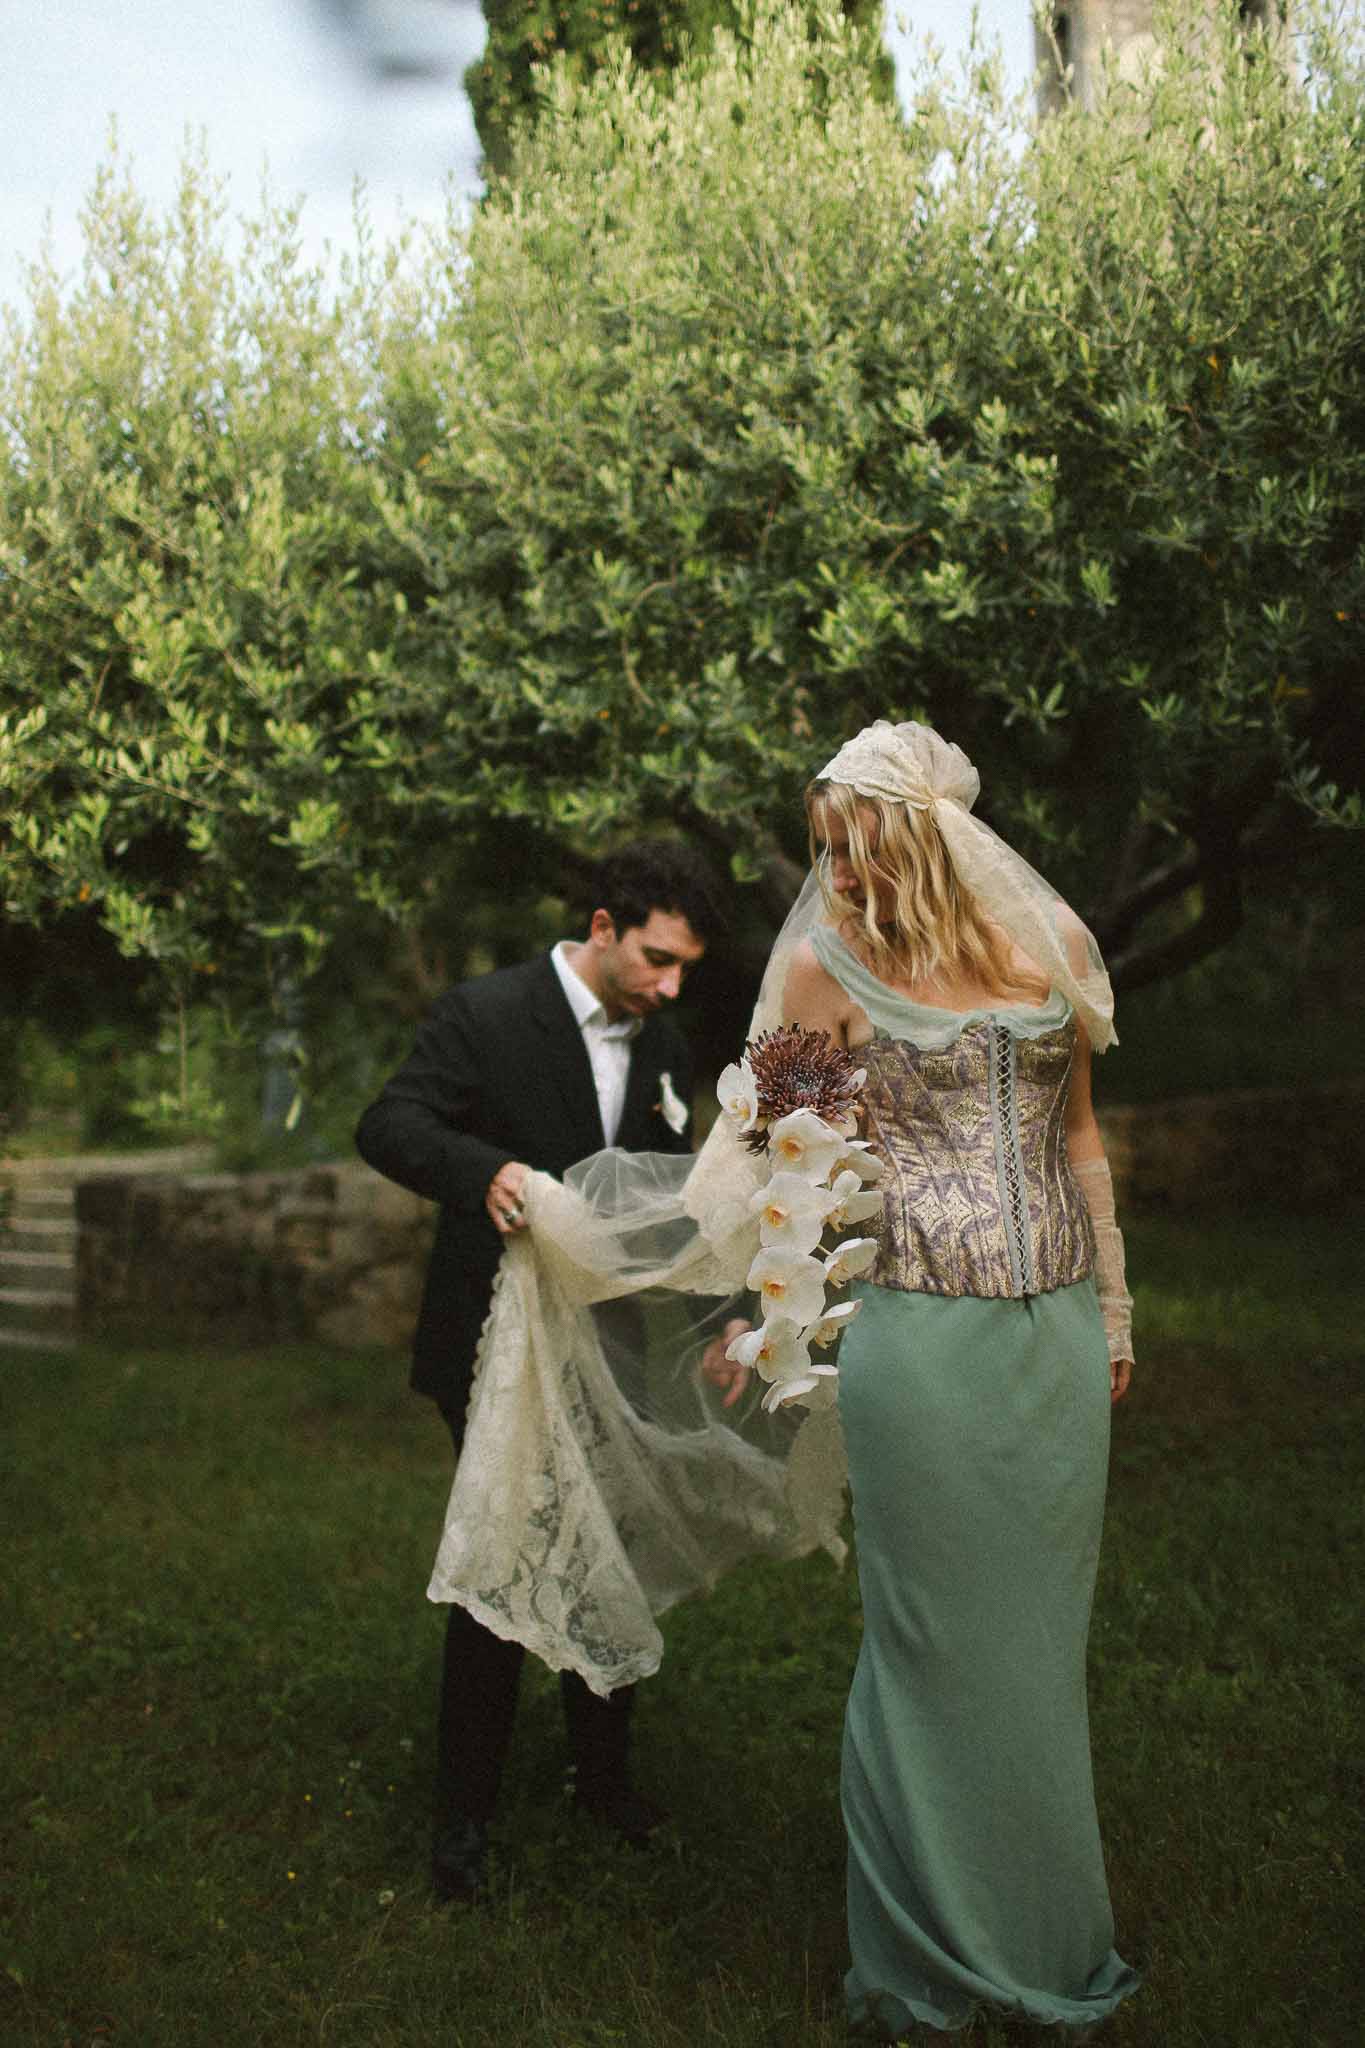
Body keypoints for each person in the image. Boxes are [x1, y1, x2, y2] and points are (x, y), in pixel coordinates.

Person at [706, 721, 1140, 2037]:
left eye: (850, 837)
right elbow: (785, 1169)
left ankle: (1048, 1942)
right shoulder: (814, 968)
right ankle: (919, 1966)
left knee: (1033, 1659)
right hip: (917, 1347)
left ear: (919, 835)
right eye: (820, 840)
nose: (829, 863)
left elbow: (1076, 1140)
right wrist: (758, 1320)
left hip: (1054, 1343)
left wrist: (1115, 1309)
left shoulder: (1050, 950)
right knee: (926, 1652)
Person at [355, 838, 728, 1902]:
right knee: (507, 1560)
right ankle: (461, 1820)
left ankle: (602, 1782)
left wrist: (712, 1321)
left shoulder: (661, 1039)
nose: (670, 984)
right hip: (493, 1341)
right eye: (657, 957)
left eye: (686, 968)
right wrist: (486, 1171)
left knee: (608, 1546)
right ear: (602, 926)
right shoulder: (484, 1011)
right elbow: (387, 1122)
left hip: (611, 1344)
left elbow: (669, 1193)